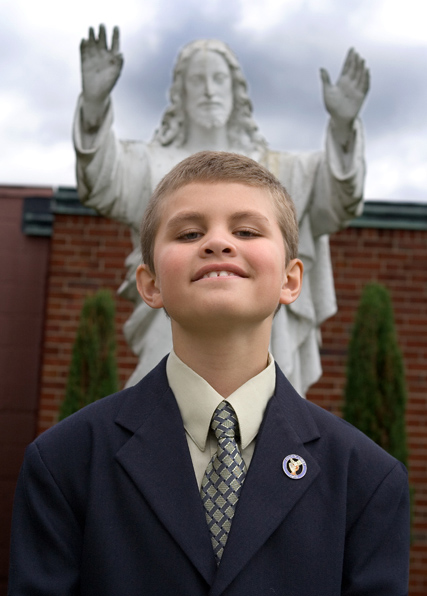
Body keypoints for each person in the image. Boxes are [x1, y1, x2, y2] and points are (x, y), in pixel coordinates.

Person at [9, 152, 410, 595]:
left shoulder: (367, 478)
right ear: (151, 283)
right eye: (190, 232)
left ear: (291, 280)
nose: (218, 243)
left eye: (246, 230)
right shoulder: (64, 462)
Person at [73, 26, 370, 396]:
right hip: (168, 331)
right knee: (155, 425)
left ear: (236, 91)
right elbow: (100, 182)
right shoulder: (149, 163)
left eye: (245, 231)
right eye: (189, 233)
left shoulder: (281, 170)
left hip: (265, 339)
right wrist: (95, 105)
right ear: (179, 93)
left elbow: (337, 200)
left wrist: (343, 127)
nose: (210, 90)